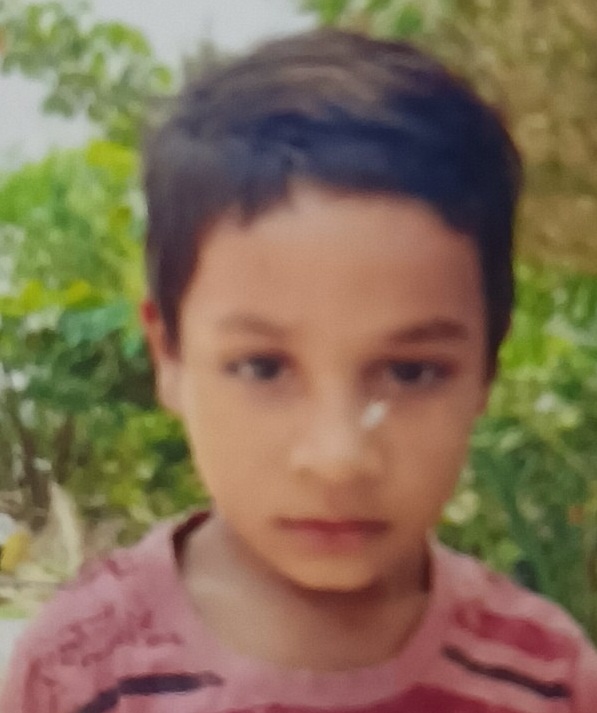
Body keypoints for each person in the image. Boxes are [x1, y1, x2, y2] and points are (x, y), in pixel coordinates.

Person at [2, 28, 596, 713]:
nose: (338, 458)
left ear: (486, 367)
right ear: (169, 356)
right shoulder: (78, 673)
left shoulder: (545, 677)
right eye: (263, 367)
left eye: (410, 373)